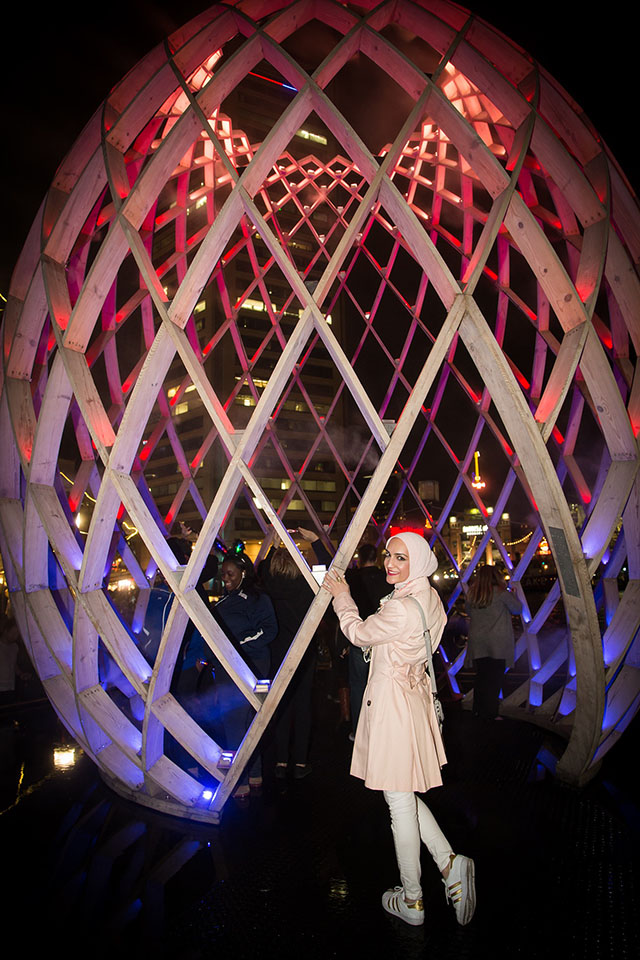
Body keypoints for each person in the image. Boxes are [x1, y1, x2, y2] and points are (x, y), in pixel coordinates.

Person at [324, 531, 475, 927]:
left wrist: (342, 596)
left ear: (418, 562)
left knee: (398, 803)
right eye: (389, 555)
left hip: (393, 705)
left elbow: (357, 633)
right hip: (412, 700)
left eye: (401, 558)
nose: (391, 563)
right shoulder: (429, 598)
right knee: (403, 793)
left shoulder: (401, 608)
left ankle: (413, 898)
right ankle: (448, 864)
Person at [259, 526, 332, 779]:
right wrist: (316, 541)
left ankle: (281, 761)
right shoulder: (307, 585)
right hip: (303, 651)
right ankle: (300, 762)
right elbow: (332, 571)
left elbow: (262, 569)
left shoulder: (268, 585)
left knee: (281, 704)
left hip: (277, 651)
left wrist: (273, 544)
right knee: (303, 705)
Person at [204, 552, 277, 796]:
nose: (225, 578)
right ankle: (253, 774)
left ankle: (240, 780)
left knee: (237, 722)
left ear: (243, 573)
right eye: (223, 574)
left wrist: (234, 647)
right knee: (241, 723)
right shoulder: (225, 600)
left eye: (230, 573)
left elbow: (269, 630)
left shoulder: (257, 599)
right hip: (229, 667)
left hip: (248, 667)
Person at [344, 543, 390, 738]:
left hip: (359, 637)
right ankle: (380, 730)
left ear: (360, 559)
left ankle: (359, 730)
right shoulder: (386, 578)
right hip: (382, 638)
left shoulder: (353, 578)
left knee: (358, 686)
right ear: (376, 558)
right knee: (381, 684)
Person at [465, 564, 522, 720]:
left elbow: (469, 612)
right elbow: (517, 609)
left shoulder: (472, 594)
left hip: (478, 642)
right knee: (494, 679)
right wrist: (515, 595)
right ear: (496, 576)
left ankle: (478, 710)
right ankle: (491, 713)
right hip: (497, 642)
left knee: (481, 677)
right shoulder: (502, 593)